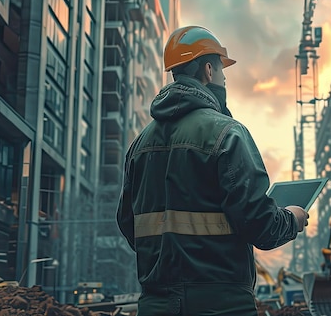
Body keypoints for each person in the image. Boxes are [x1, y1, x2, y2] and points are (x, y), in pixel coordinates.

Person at [117, 25, 309, 316]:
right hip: (223, 305)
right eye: (222, 72)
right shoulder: (227, 134)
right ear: (208, 70)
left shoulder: (139, 145)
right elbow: (261, 226)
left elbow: (128, 224)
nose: (223, 79)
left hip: (156, 305)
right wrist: (292, 220)